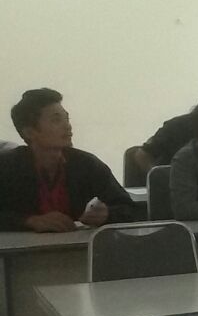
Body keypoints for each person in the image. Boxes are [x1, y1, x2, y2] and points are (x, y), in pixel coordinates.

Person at [2, 88, 140, 232]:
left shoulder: (87, 164)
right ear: (29, 132)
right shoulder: (7, 166)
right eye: (56, 120)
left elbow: (130, 210)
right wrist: (29, 221)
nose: (67, 126)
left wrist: (107, 214)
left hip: (79, 244)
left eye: (67, 119)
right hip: (23, 246)